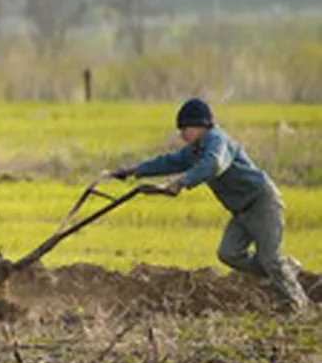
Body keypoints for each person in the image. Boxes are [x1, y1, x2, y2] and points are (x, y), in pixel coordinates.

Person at [110, 97, 311, 315]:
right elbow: (168, 161)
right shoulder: (195, 150)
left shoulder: (217, 140)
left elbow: (214, 164)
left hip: (261, 202)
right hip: (241, 211)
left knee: (270, 259)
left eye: (185, 128)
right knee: (228, 254)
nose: (181, 134)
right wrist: (133, 171)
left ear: (200, 125)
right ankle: (287, 269)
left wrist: (182, 182)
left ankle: (299, 307)